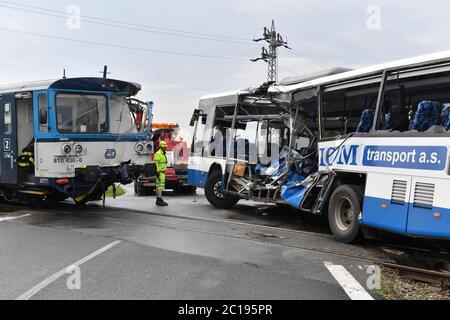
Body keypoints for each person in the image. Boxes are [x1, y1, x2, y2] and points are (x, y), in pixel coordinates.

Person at [154, 141, 169, 206]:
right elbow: (156, 164)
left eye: (165, 147)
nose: (165, 148)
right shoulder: (158, 154)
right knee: (160, 187)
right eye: (164, 147)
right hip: (160, 172)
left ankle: (158, 199)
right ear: (160, 147)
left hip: (161, 172)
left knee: (158, 187)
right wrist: (157, 172)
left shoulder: (162, 153)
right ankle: (159, 200)